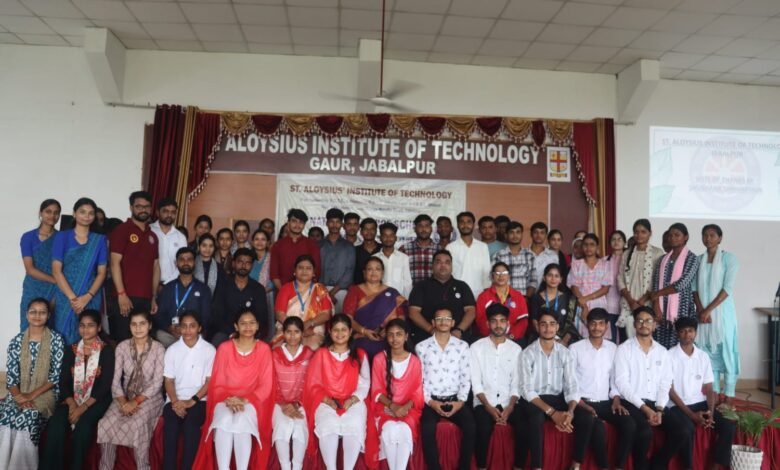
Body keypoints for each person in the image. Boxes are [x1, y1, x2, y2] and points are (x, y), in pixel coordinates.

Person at [193, 308, 275, 470]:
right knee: (223, 420)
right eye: (243, 323)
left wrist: (244, 400)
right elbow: (218, 383)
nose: (248, 327)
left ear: (258, 326)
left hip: (253, 401)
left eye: (252, 323)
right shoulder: (224, 348)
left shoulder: (264, 349)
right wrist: (230, 399)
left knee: (242, 420)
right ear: (236, 326)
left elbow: (266, 386)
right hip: (225, 399)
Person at [651, 317, 736, 470]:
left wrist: (711, 412)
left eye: (690, 331)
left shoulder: (703, 356)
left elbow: (709, 388)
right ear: (677, 334)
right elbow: (669, 390)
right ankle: (687, 467)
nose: (687, 334)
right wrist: (691, 415)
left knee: (728, 425)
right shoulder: (669, 355)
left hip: (699, 402)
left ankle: (716, 465)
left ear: (695, 333)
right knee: (687, 429)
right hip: (676, 405)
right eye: (683, 331)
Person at [40, 310, 114, 470]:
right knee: (56, 424)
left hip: (96, 400)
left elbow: (105, 386)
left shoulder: (107, 351)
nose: (85, 329)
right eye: (82, 325)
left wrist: (83, 407)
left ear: (99, 327)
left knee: (83, 428)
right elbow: (63, 381)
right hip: (71, 398)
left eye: (90, 325)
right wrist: (73, 404)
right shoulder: (71, 349)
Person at [0, 298, 64, 469]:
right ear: (26, 315)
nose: (37, 315)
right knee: (7, 415)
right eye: (33, 312)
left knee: (29, 416)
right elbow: (11, 377)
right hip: (19, 392)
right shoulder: (16, 341)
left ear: (48, 316)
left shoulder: (56, 340)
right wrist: (19, 397)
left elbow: (55, 377)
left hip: (46, 393)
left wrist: (30, 396)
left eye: (42, 312)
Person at [97, 310, 165, 470]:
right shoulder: (122, 347)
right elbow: (115, 380)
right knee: (105, 423)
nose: (138, 328)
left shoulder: (158, 348)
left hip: (150, 397)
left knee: (137, 424)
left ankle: (143, 467)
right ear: (129, 326)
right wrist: (123, 402)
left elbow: (157, 383)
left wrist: (135, 402)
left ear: (149, 325)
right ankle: (105, 467)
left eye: (142, 324)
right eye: (134, 324)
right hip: (124, 395)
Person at [569, 308, 635, 470]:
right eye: (593, 323)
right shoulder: (575, 348)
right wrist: (581, 404)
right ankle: (576, 465)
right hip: (582, 402)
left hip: (606, 403)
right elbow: (570, 382)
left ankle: (618, 466)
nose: (596, 327)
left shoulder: (614, 349)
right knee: (594, 424)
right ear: (587, 325)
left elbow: (615, 379)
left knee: (629, 424)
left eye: (600, 324)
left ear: (606, 326)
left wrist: (616, 399)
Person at [303, 314, 370, 470]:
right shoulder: (321, 354)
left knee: (354, 424)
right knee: (329, 424)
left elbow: (365, 384)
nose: (340, 334)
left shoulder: (359, 355)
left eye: (343, 330)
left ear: (350, 331)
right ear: (329, 331)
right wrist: (327, 400)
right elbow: (312, 384)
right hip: (326, 401)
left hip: (352, 401)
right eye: (336, 330)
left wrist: (353, 399)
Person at [516, 309, 579, 470]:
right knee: (536, 418)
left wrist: (570, 412)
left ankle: (576, 465)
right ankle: (536, 466)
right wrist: (553, 413)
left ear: (557, 327)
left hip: (557, 398)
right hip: (534, 399)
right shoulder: (527, 353)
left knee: (586, 417)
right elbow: (527, 390)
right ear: (537, 326)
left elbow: (572, 386)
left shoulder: (566, 353)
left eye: (552, 324)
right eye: (543, 324)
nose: (548, 328)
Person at [416, 306, 475, 470]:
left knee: (471, 427)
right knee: (427, 428)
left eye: (447, 319)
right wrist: (431, 402)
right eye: (439, 319)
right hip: (431, 401)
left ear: (453, 323)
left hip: (455, 399)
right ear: (433, 322)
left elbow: (465, 377)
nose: (443, 322)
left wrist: (460, 402)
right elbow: (419, 380)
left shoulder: (462, 346)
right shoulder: (422, 347)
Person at [613, 306, 673, 470]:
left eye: (648, 321)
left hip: (656, 404)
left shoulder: (662, 352)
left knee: (684, 429)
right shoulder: (624, 349)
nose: (644, 324)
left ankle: (657, 464)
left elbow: (665, 383)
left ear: (654, 325)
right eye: (639, 320)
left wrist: (659, 409)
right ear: (634, 324)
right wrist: (645, 409)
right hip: (633, 403)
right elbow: (622, 383)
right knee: (645, 432)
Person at [469, 304, 522, 470]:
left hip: (509, 402)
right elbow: (476, 383)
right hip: (484, 402)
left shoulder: (516, 350)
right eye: (494, 321)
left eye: (502, 321)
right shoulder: (476, 348)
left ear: (508, 324)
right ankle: (482, 467)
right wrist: (488, 407)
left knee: (525, 427)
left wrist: (510, 407)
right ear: (487, 324)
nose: (498, 325)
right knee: (483, 429)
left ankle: (518, 467)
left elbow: (517, 383)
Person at [162, 311, 216, 470]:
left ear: (199, 328)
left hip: (199, 400)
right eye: (184, 326)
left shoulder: (209, 350)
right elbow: (168, 381)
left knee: (191, 427)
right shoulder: (172, 350)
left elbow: (209, 382)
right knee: (171, 427)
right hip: (174, 400)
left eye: (192, 326)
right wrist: (175, 402)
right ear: (179, 328)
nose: (187, 330)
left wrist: (192, 401)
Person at [368, 318, 423, 470]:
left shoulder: (414, 361)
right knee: (389, 430)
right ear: (386, 337)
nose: (394, 338)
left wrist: (404, 408)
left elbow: (417, 392)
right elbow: (377, 391)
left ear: (406, 336)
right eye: (391, 334)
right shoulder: (380, 359)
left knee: (404, 430)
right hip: (385, 407)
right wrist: (393, 406)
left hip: (408, 409)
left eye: (399, 334)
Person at [51, 197, 108, 344]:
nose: (86, 216)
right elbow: (56, 271)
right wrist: (73, 299)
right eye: (82, 212)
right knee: (62, 336)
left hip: (91, 296)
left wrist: (87, 297)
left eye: (91, 213)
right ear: (74, 213)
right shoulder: (61, 237)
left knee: (89, 335)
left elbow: (102, 273)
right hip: (66, 295)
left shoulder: (99, 240)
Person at [693, 224, 740, 402]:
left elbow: (727, 288)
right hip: (703, 316)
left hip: (723, 315)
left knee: (726, 351)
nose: (708, 238)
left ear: (720, 238)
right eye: (705, 235)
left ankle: (728, 396)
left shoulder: (729, 259)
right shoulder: (698, 260)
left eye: (712, 235)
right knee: (706, 352)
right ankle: (713, 395)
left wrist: (708, 310)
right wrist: (701, 310)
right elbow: (694, 289)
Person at [108, 191, 160, 342]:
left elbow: (156, 266)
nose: (143, 210)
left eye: (146, 207)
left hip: (146, 298)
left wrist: (154, 297)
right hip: (126, 297)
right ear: (131, 208)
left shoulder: (153, 236)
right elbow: (114, 263)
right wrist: (121, 294)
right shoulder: (122, 230)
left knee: (143, 341)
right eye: (138, 206)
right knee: (124, 341)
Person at [343, 257, 407, 359]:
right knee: (362, 350)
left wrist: (388, 330)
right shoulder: (354, 291)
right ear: (364, 273)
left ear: (382, 273)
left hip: (388, 337)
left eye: (377, 269)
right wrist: (364, 331)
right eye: (370, 269)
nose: (374, 272)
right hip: (361, 337)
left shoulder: (392, 292)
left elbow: (401, 318)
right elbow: (347, 318)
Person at [272, 317, 314, 470]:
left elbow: (312, 384)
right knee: (281, 427)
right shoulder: (274, 354)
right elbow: (270, 383)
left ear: (302, 334)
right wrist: (283, 404)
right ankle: (285, 466)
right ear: (283, 333)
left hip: (302, 403)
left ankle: (297, 466)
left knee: (300, 428)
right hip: (278, 403)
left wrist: (297, 404)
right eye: (288, 332)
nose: (292, 336)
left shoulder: (310, 354)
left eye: (296, 332)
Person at [408, 250, 476, 344]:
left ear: (452, 266)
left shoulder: (462, 286)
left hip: (458, 339)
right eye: (438, 262)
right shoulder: (421, 286)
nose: (443, 265)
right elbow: (413, 312)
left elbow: (471, 311)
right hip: (426, 339)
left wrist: (459, 330)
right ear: (432, 266)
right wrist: (431, 330)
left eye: (447, 262)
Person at [649, 223, 700, 349]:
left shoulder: (692, 258)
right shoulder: (663, 259)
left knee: (679, 344)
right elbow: (655, 284)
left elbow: (682, 284)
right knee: (660, 346)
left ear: (686, 237)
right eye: (670, 235)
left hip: (682, 308)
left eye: (677, 235)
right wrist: (656, 306)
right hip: (661, 309)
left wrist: (658, 294)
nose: (673, 238)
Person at [154, 247, 213, 347]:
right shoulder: (168, 288)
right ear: (176, 263)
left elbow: (206, 317)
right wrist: (170, 328)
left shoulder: (204, 289)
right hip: (172, 334)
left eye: (189, 259)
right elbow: (159, 315)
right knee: (160, 335)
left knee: (202, 338)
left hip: (194, 335)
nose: (186, 262)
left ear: (194, 263)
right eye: (182, 259)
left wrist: (191, 329)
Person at [617, 219, 665, 340]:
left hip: (648, 302)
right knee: (627, 341)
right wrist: (631, 301)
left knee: (646, 337)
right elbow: (620, 278)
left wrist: (641, 302)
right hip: (628, 302)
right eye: (636, 232)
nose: (639, 235)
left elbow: (657, 280)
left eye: (643, 232)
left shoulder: (657, 253)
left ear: (650, 233)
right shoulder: (627, 253)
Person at [211, 248, 269, 346]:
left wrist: (246, 331)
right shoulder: (223, 286)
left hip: (250, 332)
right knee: (218, 340)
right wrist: (232, 333)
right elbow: (217, 315)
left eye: (247, 263)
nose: (243, 266)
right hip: (226, 332)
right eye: (240, 262)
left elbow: (262, 318)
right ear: (233, 263)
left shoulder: (258, 289)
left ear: (252, 265)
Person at [274, 255, 333, 349]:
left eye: (308, 268)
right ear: (294, 271)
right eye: (300, 268)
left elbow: (326, 314)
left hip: (313, 331)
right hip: (288, 331)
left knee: (312, 348)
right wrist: (295, 329)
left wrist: (310, 323)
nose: (304, 271)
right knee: (277, 348)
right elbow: (279, 314)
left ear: (314, 272)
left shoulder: (320, 289)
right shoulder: (285, 288)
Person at [19, 199, 61, 330]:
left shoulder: (62, 238)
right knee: (28, 327)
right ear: (41, 213)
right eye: (48, 211)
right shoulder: (28, 237)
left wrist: (58, 284)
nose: (52, 216)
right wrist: (56, 281)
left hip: (54, 291)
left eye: (56, 213)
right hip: (33, 288)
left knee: (52, 327)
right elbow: (30, 269)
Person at [567, 233, 612, 340]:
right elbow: (574, 286)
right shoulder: (576, 264)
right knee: (581, 338)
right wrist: (585, 307)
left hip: (598, 304)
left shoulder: (605, 264)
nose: (588, 247)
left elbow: (605, 289)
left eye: (592, 244)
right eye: (585, 244)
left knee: (600, 335)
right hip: (581, 304)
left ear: (597, 247)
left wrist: (586, 298)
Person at [474, 262, 529, 342]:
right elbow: (480, 321)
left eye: (504, 273)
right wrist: (495, 337)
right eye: (497, 273)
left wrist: (511, 336)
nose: (501, 276)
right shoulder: (483, 296)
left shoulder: (518, 296)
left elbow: (523, 321)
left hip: (513, 339)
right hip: (490, 339)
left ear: (509, 276)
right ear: (492, 276)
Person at [527, 264, 579, 345]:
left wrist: (563, 341)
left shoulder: (568, 299)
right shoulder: (536, 298)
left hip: (563, 340)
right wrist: (549, 339)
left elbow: (570, 324)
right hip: (542, 337)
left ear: (561, 279)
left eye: (556, 276)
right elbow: (535, 322)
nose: (553, 279)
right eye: (550, 275)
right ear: (544, 278)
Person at [270, 209, 321, 291]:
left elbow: (316, 271)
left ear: (304, 225)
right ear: (288, 223)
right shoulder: (278, 245)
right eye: (294, 221)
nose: (297, 225)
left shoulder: (312, 245)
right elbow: (274, 274)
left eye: (301, 222)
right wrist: (284, 292)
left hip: (306, 292)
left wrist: (304, 292)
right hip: (282, 290)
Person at [319, 208, 355, 314]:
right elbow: (315, 269)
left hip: (341, 291)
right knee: (321, 321)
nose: (334, 225)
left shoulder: (349, 246)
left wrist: (332, 293)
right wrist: (324, 292)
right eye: (331, 222)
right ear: (326, 223)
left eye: (337, 222)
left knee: (340, 322)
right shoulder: (318, 245)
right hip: (320, 290)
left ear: (342, 224)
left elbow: (349, 272)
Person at [448, 211, 492, 297]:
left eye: (468, 222)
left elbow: (486, 271)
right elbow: (449, 272)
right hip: (457, 292)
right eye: (462, 222)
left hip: (479, 292)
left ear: (474, 225)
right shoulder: (451, 247)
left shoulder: (483, 246)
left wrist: (486, 291)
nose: (465, 225)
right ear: (457, 225)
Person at [492, 221, 537, 297]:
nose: (515, 236)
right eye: (511, 232)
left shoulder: (529, 255)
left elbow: (533, 280)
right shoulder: (499, 255)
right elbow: (493, 278)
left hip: (524, 298)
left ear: (522, 235)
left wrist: (526, 298)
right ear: (506, 235)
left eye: (518, 232)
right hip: (503, 299)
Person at [150, 198, 188, 285]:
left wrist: (167, 284)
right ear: (157, 212)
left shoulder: (181, 237)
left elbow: (182, 262)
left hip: (172, 285)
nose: (169, 215)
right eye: (165, 211)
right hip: (148, 283)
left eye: (173, 212)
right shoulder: (149, 230)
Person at [375, 222, 413, 298]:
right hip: (379, 299)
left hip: (398, 300)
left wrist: (406, 300)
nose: (388, 238)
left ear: (395, 238)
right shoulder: (374, 258)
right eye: (385, 235)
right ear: (380, 238)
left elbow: (407, 283)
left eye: (391, 235)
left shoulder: (403, 258)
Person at [401, 214, 439, 286]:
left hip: (435, 291)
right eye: (420, 226)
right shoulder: (404, 249)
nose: (424, 229)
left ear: (431, 229)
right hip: (411, 292)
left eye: (427, 226)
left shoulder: (439, 250)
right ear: (415, 229)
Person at [605, 230, 627, 342]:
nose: (616, 242)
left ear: (624, 242)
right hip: (609, 304)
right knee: (611, 339)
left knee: (625, 338)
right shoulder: (604, 260)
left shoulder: (629, 260)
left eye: (619, 239)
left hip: (626, 303)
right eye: (613, 239)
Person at [528, 222, 559, 288]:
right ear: (531, 234)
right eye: (536, 232)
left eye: (542, 233)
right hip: (525, 292)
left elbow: (555, 276)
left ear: (546, 235)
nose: (538, 235)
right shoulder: (523, 254)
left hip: (546, 292)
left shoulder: (553, 256)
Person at [354, 217, 380, 284]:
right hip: (360, 288)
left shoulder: (383, 249)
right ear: (361, 232)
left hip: (380, 288)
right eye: (366, 229)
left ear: (376, 231)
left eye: (372, 229)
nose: (369, 232)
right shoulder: (354, 251)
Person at [249, 228, 274, 294]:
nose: (259, 242)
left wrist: (260, 293)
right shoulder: (248, 258)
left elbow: (273, 281)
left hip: (267, 294)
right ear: (252, 242)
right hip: (248, 294)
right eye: (257, 239)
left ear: (268, 242)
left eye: (263, 239)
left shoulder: (272, 259)